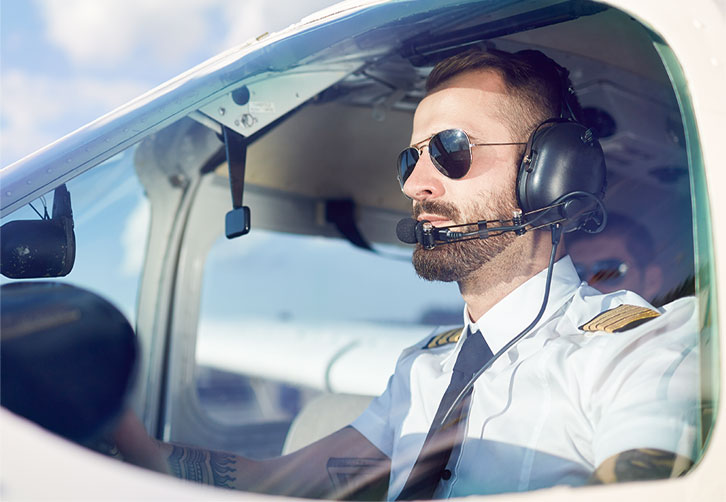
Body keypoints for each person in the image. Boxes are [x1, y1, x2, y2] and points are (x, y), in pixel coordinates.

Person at [113, 49, 699, 498]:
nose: (416, 184)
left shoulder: (640, 349)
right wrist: (114, 444)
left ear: (546, 174)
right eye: (410, 158)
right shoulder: (422, 369)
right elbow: (281, 481)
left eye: (450, 149)